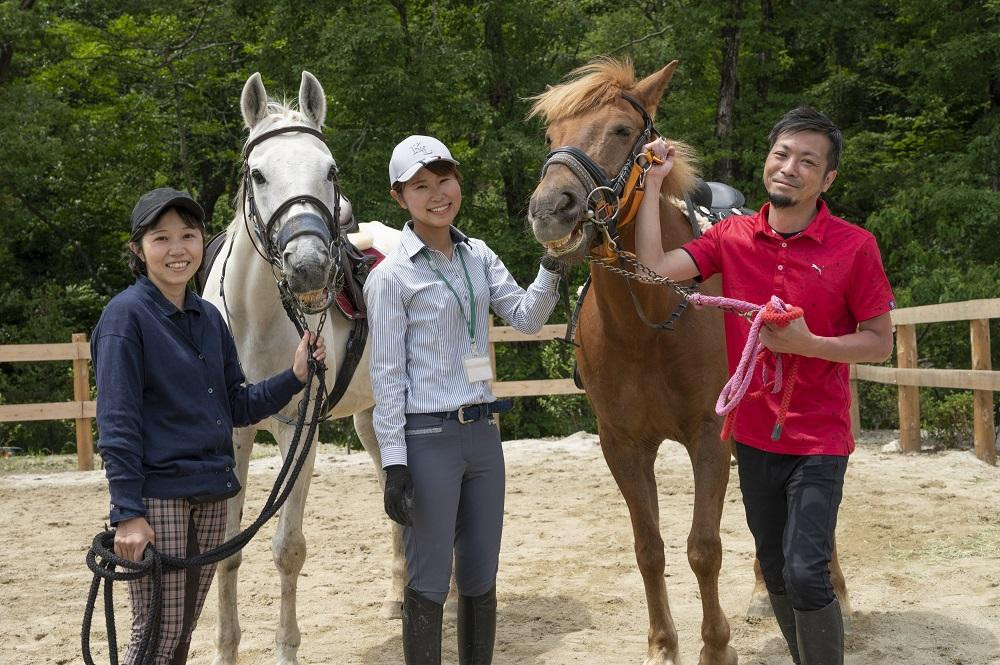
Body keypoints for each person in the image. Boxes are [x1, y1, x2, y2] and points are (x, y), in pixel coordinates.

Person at [633, 108, 894, 664]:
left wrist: (811, 345)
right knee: (774, 569)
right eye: (782, 154)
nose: (790, 168)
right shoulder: (730, 237)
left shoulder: (855, 247)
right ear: (767, 160)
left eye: (808, 161)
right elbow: (654, 264)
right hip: (751, 434)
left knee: (805, 570)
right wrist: (654, 184)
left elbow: (878, 342)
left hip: (819, 439)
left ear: (827, 180)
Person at [91, 187, 326, 665]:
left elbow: (238, 405)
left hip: (210, 493)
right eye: (161, 238)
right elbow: (117, 425)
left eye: (188, 235)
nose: (177, 250)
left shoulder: (208, 319)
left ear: (202, 242)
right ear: (139, 250)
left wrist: (295, 375)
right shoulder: (125, 318)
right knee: (157, 629)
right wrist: (127, 513)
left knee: (180, 630)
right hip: (159, 498)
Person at [365, 135, 562, 665]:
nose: (437, 194)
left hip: (483, 437)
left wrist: (554, 260)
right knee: (429, 577)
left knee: (480, 573)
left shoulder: (479, 257)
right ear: (398, 196)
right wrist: (395, 464)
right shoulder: (390, 276)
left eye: (444, 180)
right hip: (427, 438)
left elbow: (525, 317)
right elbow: (386, 375)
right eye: (420, 186)